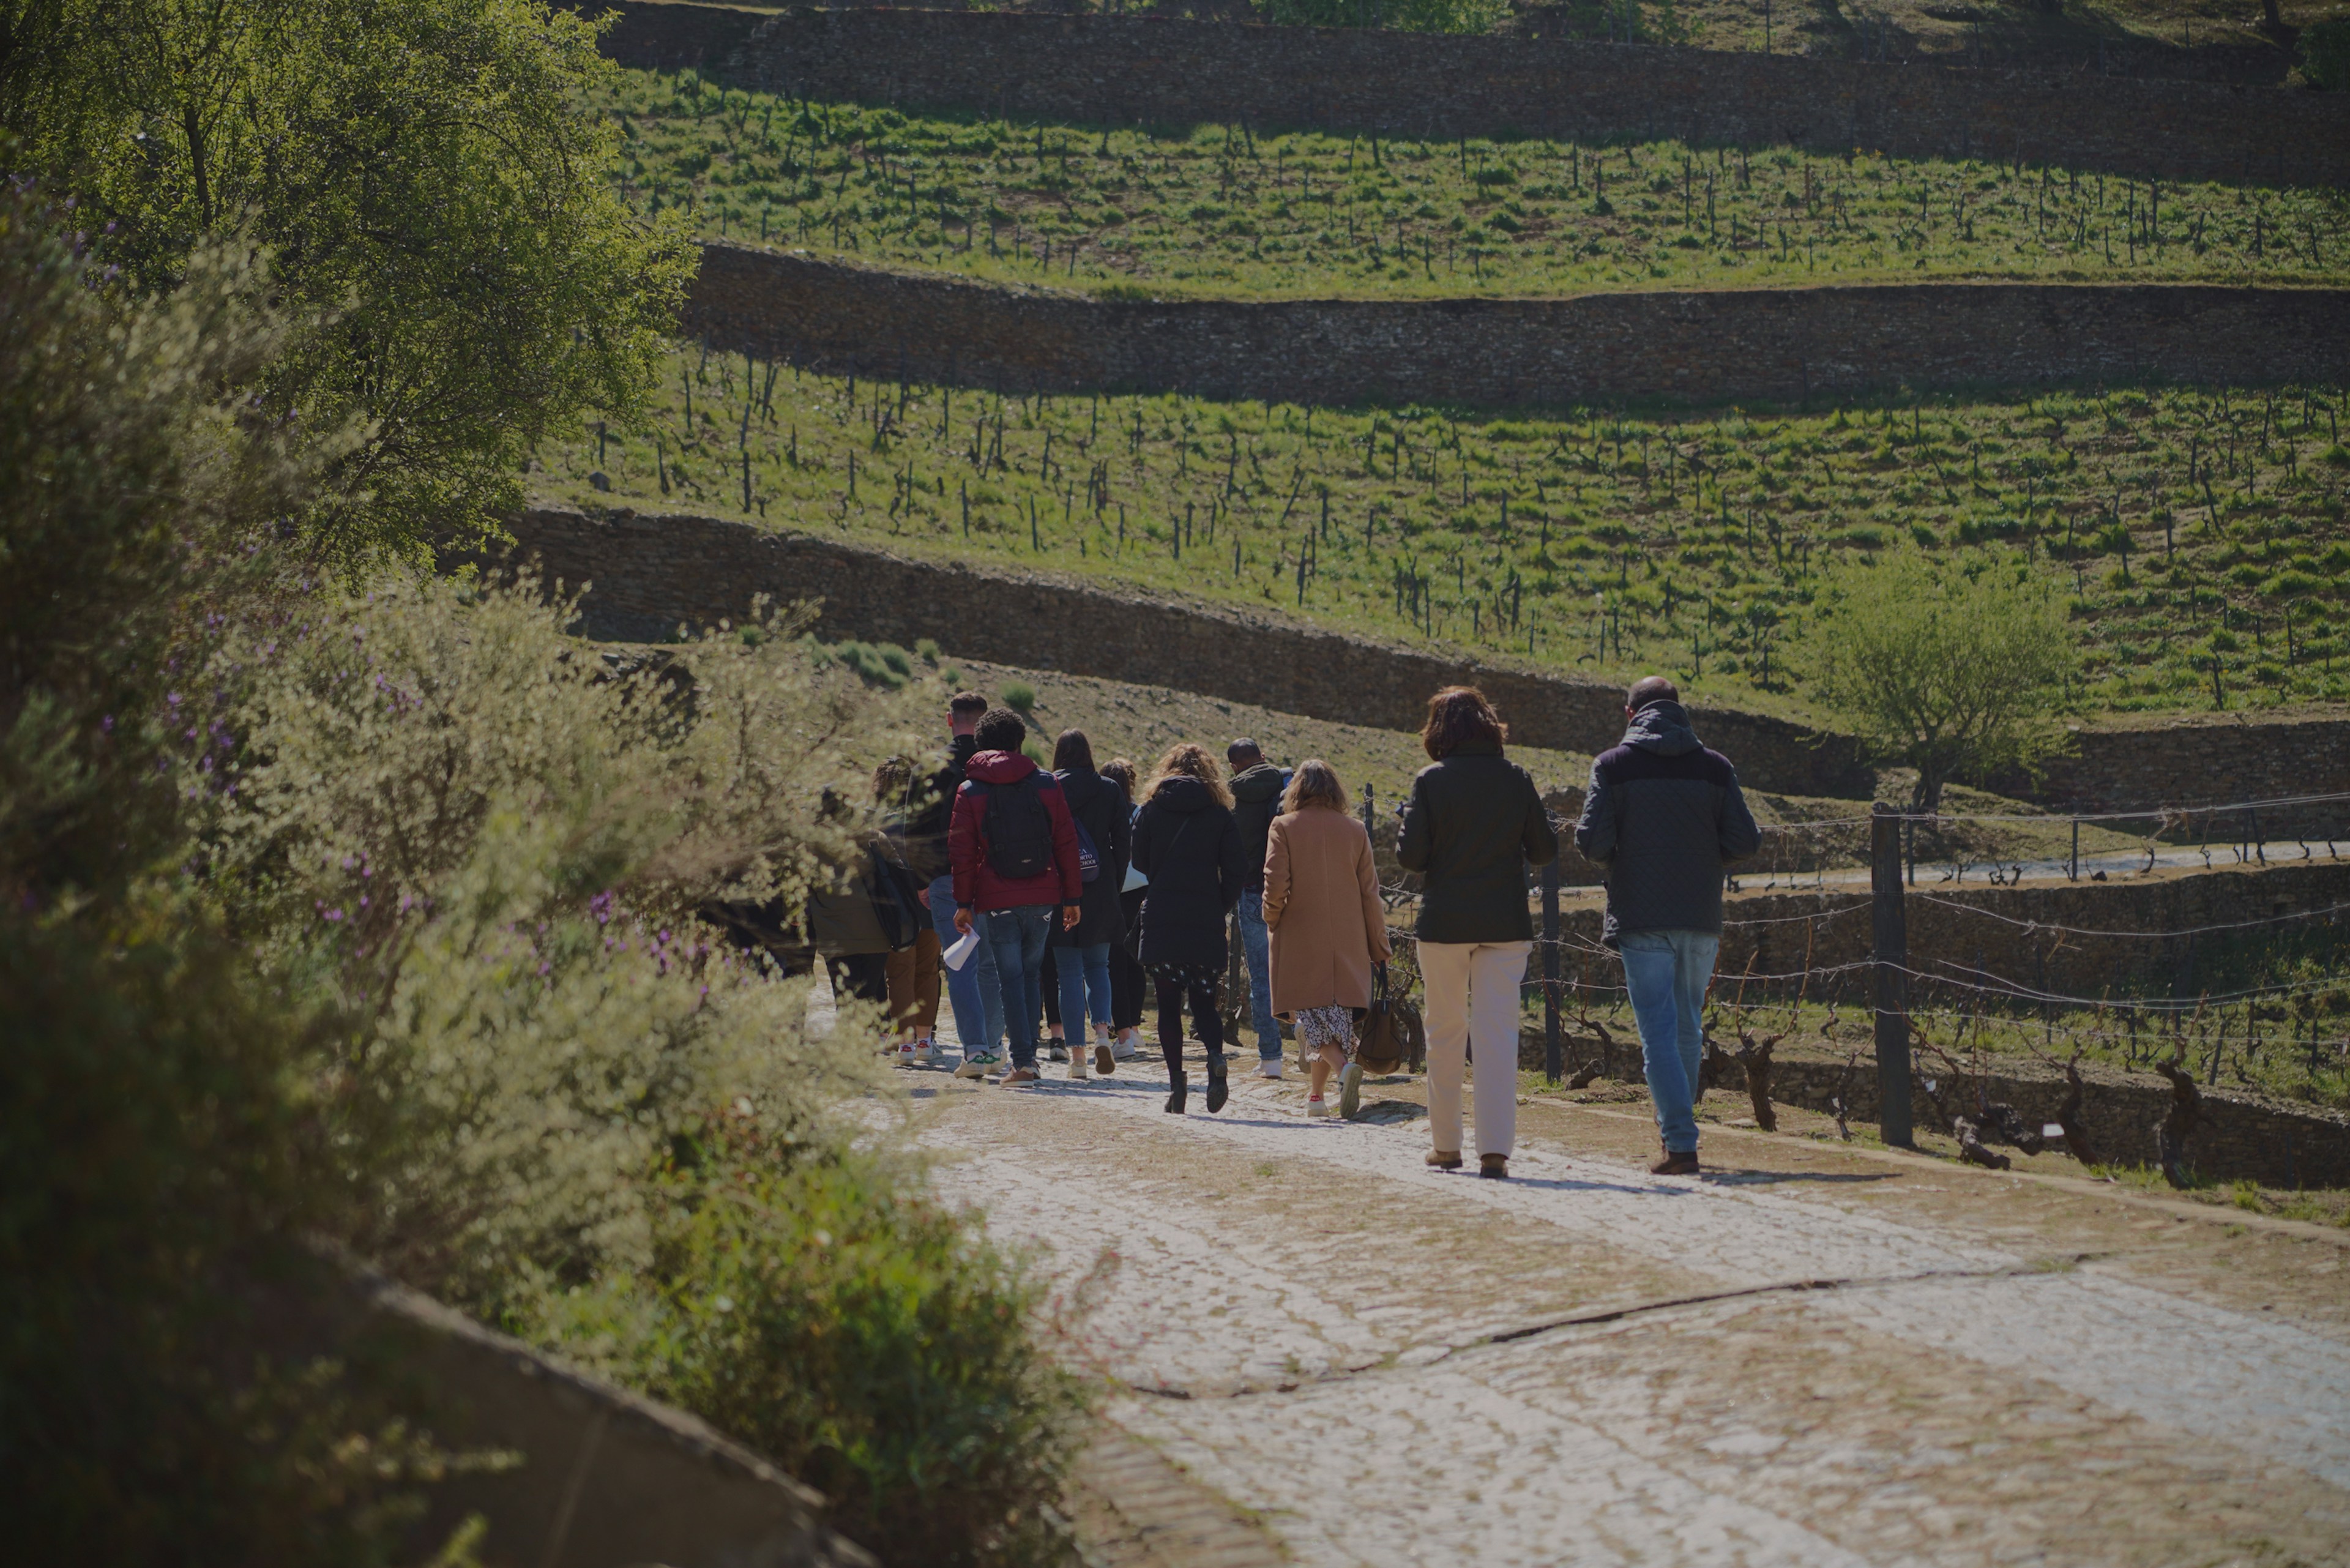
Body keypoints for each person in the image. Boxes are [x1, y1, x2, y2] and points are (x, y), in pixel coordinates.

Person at [1574, 676, 1761, 1176]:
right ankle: (1677, 1132)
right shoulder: (1716, 767)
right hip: (1700, 915)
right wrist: (1705, 862)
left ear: (1630, 714)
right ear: (1680, 711)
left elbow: (1592, 843)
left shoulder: (1612, 765)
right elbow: (1745, 841)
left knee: (1657, 1030)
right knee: (1686, 1026)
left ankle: (1680, 1143)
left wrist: (1622, 863)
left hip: (1641, 915)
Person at [1397, 687, 1557, 1181]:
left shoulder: (1431, 780)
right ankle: (1495, 1152)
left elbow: (1412, 858)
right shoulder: (1516, 778)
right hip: (1505, 923)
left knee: (1444, 1033)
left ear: (1438, 730)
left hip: (1445, 923)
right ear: (1490, 725)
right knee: (1497, 1037)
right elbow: (1544, 851)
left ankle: (1446, 1146)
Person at [949, 708, 1083, 1085]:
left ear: (981, 744)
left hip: (997, 897)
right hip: (1043, 894)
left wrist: (963, 904)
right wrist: (1072, 898)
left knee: (1009, 977)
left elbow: (962, 854)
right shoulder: (1047, 784)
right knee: (1031, 973)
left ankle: (1024, 1062)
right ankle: (1029, 1059)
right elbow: (1066, 842)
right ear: (1020, 742)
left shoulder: (970, 789)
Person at [1263, 760, 1390, 1120]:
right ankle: (1316, 1098)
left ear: (1297, 790)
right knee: (1333, 1018)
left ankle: (1344, 1069)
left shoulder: (1283, 825)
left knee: (1311, 1016)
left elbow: (1275, 882)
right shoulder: (1356, 830)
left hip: (1300, 938)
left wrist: (1272, 917)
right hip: (1348, 941)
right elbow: (1370, 894)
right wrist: (1379, 946)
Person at [1130, 743, 1247, 1114]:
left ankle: (1177, 1085)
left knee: (1167, 1006)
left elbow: (1139, 861)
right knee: (1204, 1001)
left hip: (1163, 916)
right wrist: (1218, 905)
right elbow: (1237, 869)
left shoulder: (1151, 810)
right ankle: (1215, 1058)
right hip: (1204, 917)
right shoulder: (1220, 814)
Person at [908, 692, 1004, 1071]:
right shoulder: (999, 766)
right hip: (993, 876)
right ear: (984, 720)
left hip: (944, 877)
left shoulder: (928, 767)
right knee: (990, 964)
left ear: (950, 719)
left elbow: (913, 829)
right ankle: (995, 1047)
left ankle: (975, 1050)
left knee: (960, 961)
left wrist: (922, 880)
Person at [1050, 729, 1132, 1080]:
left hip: (1060, 888)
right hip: (1101, 888)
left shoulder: (1049, 787)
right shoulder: (1110, 789)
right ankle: (1101, 1034)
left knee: (1068, 973)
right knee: (1099, 966)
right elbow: (1123, 842)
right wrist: (1113, 883)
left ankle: (1078, 1057)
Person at [1226, 739, 1289, 1077]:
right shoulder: (1286, 786)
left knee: (1261, 978)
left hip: (1252, 891)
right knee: (1300, 969)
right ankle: (1312, 1039)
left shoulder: (1233, 798)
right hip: (1291, 891)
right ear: (1263, 757)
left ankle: (1271, 1058)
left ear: (1234, 766)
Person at [871, 758, 941, 1062]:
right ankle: (925, 1042)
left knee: (900, 973)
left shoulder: (876, 820)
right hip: (929, 903)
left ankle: (906, 1044)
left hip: (895, 909)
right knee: (928, 971)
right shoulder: (926, 816)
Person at [1099, 756, 1148, 1061]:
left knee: (1113, 961)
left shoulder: (1102, 810)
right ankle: (1134, 1026)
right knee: (1136, 961)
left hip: (1111, 888)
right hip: (1140, 889)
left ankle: (1120, 1027)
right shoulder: (1141, 812)